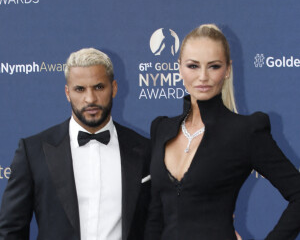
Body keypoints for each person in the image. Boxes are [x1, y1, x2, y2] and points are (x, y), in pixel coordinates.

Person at [145, 24, 300, 240]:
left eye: (214, 66)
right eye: (193, 66)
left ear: (227, 70)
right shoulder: (161, 128)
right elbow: (155, 213)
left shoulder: (246, 131)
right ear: (179, 68)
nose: (203, 77)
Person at [0, 48, 151, 240]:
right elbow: (10, 230)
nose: (90, 99)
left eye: (98, 87)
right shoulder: (33, 152)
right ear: (67, 93)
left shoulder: (145, 150)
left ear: (113, 88)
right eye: (80, 89)